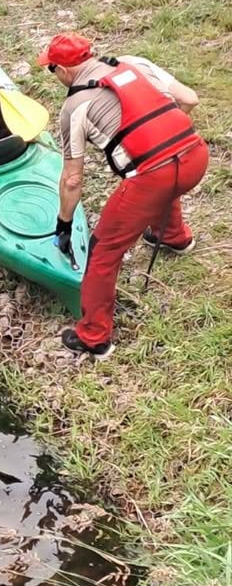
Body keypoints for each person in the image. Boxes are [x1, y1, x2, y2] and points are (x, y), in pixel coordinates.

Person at [36, 33, 209, 359]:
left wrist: (64, 223)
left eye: (51, 69)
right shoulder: (134, 62)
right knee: (160, 172)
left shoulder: (75, 107)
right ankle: (173, 236)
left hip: (153, 179)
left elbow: (72, 179)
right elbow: (190, 99)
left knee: (103, 251)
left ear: (62, 70)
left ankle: (94, 338)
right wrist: (168, 134)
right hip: (195, 156)